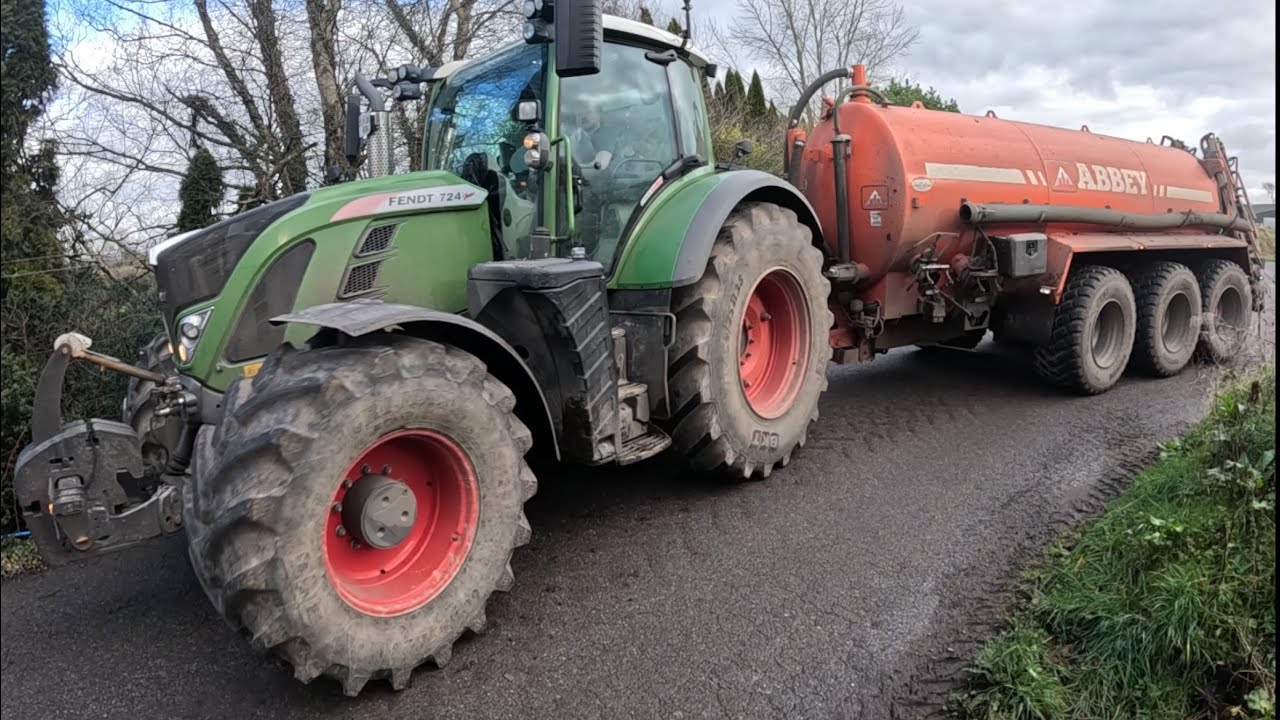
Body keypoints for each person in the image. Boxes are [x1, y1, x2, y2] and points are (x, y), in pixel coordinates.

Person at [570, 100, 619, 171]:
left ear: (599, 115)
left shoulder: (607, 134)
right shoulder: (572, 137)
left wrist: (572, 168)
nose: (583, 116)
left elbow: (599, 165)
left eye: (588, 112)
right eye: (579, 114)